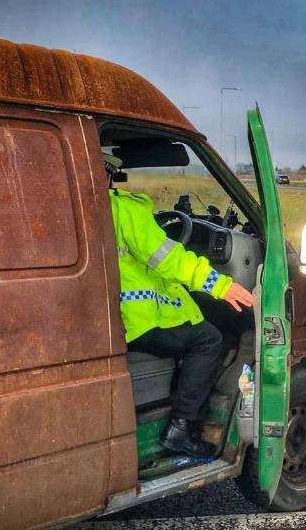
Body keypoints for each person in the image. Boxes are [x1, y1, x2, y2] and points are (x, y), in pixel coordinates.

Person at [105, 154, 255, 456]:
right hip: (137, 318)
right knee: (208, 338)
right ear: (107, 172)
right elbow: (168, 258)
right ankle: (181, 426)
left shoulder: (84, 208)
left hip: (111, 312)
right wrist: (221, 285)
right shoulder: (123, 208)